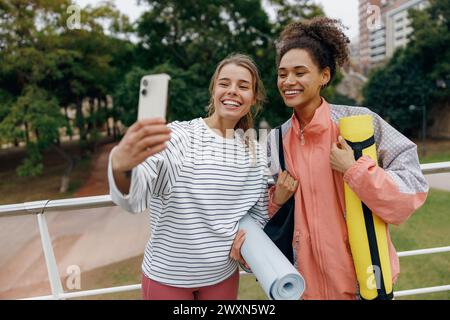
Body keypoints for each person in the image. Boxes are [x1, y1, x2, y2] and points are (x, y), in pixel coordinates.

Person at [233, 17, 429, 300]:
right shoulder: (275, 142)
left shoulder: (361, 123)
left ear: (324, 75)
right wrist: (277, 200)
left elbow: (413, 189)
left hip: (365, 285)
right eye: (282, 73)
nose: (288, 82)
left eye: (300, 72)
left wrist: (355, 171)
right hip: (303, 289)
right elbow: (258, 210)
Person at [108, 53, 269, 300]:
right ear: (213, 89)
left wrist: (247, 244)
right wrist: (122, 166)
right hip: (167, 279)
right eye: (224, 83)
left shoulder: (256, 152)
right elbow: (134, 198)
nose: (233, 91)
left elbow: (259, 213)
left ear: (254, 97)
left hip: (222, 277)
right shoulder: (178, 136)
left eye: (243, 86)